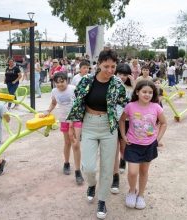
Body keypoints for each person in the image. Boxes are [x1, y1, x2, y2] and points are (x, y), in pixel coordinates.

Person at [66, 49, 128, 219]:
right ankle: (91, 184)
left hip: (109, 127)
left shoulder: (117, 83)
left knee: (107, 167)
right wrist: (72, 123)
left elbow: (124, 103)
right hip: (90, 125)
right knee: (89, 167)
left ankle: (102, 200)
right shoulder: (86, 80)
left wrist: (118, 117)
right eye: (106, 66)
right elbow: (77, 102)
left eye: (113, 66)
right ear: (99, 64)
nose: (110, 70)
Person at [119, 80, 167, 210]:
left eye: (150, 92)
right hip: (133, 144)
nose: (147, 95)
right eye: (144, 92)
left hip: (149, 145)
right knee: (133, 172)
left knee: (144, 171)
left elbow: (164, 123)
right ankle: (131, 191)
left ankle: (141, 195)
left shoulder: (156, 107)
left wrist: (157, 139)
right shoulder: (130, 106)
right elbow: (122, 120)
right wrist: (123, 136)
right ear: (137, 92)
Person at [43, 72, 84, 184]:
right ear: (54, 83)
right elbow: (53, 103)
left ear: (67, 81)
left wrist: (74, 119)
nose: (60, 84)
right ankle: (66, 163)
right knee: (67, 143)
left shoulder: (73, 89)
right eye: (57, 82)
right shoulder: (54, 91)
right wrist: (47, 111)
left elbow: (79, 104)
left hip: (76, 119)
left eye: (62, 81)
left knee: (75, 144)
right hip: (63, 120)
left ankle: (77, 171)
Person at [111, 63, 135, 194]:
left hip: (127, 122)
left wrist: (134, 82)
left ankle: (123, 159)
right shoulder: (112, 85)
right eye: (119, 74)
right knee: (114, 149)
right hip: (114, 121)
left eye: (125, 74)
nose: (122, 77)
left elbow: (139, 99)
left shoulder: (131, 89)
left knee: (123, 147)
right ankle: (115, 177)